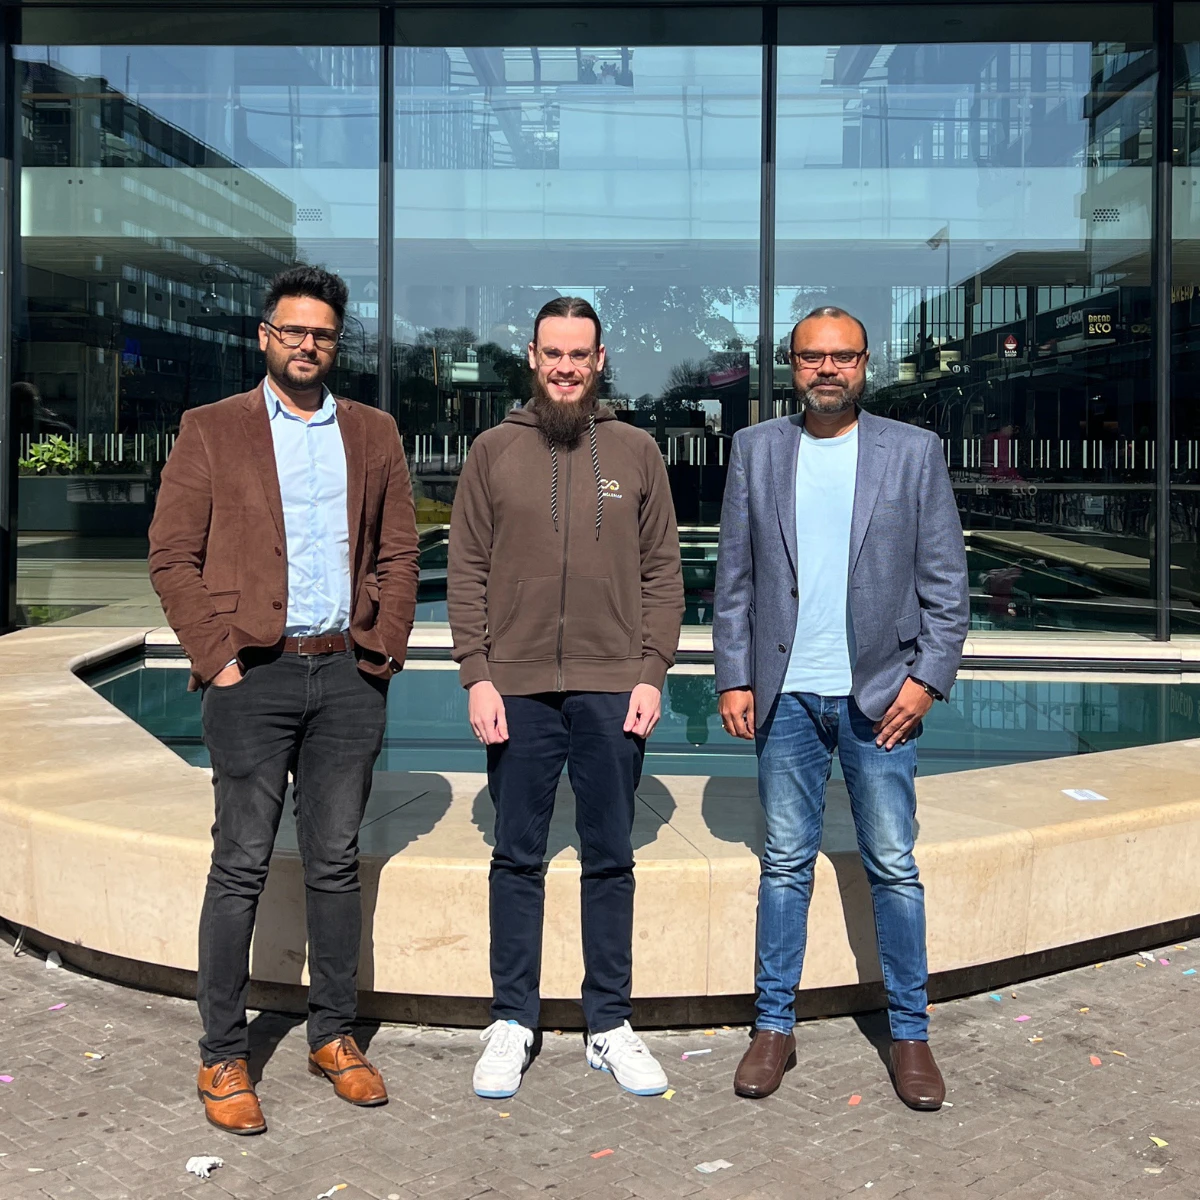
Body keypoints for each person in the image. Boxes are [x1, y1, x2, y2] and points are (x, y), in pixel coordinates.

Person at [148, 265, 419, 1134]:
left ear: (339, 343)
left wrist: (382, 651)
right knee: (241, 866)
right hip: (252, 675)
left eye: (325, 334)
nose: (309, 345)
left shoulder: (374, 433)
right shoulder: (212, 428)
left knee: (335, 862)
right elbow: (170, 556)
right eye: (294, 331)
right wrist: (218, 659)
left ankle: (332, 1036)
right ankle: (224, 1054)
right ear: (264, 336)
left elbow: (401, 553)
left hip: (346, 673)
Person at [713, 306, 968, 1110]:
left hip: (881, 696)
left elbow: (946, 586)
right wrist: (733, 676)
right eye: (813, 357)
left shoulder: (914, 453)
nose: (828, 370)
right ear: (792, 365)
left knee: (894, 865)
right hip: (785, 695)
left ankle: (911, 1034)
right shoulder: (756, 451)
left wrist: (927, 680)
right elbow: (734, 582)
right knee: (784, 864)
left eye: (844, 357)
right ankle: (774, 1027)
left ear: (866, 364)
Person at [448, 296, 684, 1100]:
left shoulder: (637, 450)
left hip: (612, 686)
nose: (566, 368)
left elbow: (663, 575)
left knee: (609, 858)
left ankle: (609, 1024)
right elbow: (468, 571)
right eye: (553, 353)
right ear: (532, 355)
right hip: (514, 687)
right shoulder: (492, 452)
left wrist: (651, 671)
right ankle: (512, 1020)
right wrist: (476, 673)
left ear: (599, 358)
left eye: (580, 355)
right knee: (516, 857)